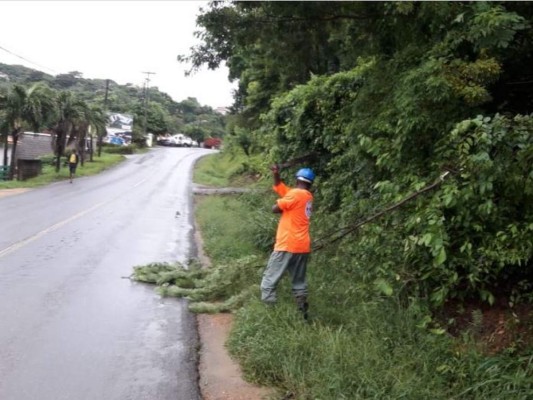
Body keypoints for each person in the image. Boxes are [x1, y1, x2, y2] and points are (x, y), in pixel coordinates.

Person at [260, 164, 315, 320]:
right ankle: (302, 312)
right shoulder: (307, 196)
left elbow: (275, 208)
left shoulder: (295, 195)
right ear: (311, 183)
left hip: (287, 244)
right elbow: (279, 187)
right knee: (299, 281)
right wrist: (276, 174)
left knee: (269, 280)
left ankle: (269, 315)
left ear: (297, 179)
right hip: (302, 246)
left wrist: (281, 204)